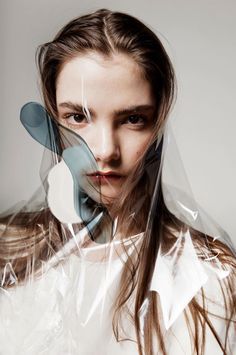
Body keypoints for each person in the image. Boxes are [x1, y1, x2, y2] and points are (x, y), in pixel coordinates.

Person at [0, 8, 235, 355]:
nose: (105, 150)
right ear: (51, 119)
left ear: (158, 126)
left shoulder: (210, 279)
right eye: (77, 117)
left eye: (133, 119)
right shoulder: (6, 255)